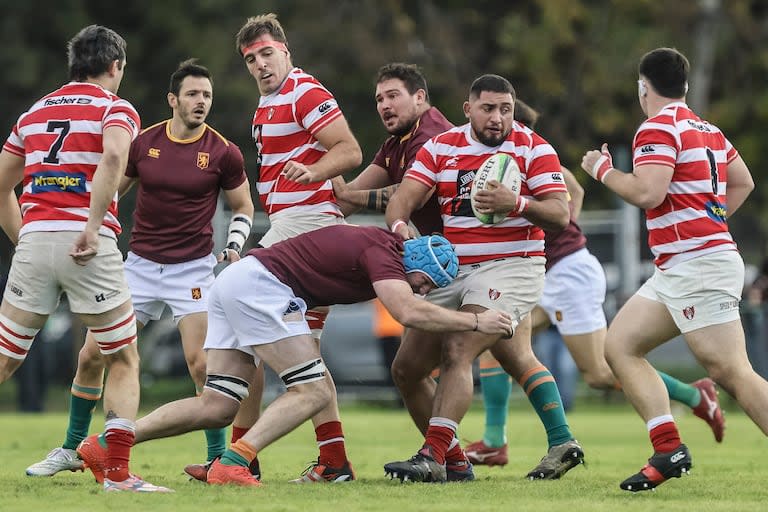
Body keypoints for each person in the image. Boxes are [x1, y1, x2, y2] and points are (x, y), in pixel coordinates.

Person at [76, 225, 515, 487]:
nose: (421, 291)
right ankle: (234, 462)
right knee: (314, 388)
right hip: (261, 287)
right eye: (424, 282)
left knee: (218, 405)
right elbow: (406, 310)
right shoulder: (387, 255)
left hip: (237, 282)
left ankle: (107, 444)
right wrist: (477, 323)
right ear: (415, 264)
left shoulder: (383, 248)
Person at [25, 59, 255, 482]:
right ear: (173, 100)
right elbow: (112, 190)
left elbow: (243, 207)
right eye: (192, 94)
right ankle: (71, 447)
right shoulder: (144, 142)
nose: (200, 102)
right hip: (140, 267)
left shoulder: (224, 151)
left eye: (206, 94)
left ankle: (217, 460)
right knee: (92, 355)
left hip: (194, 271)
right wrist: (91, 229)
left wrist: (235, 245)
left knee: (202, 365)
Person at [465, 99, 726, 468]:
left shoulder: (533, 155)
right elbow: (578, 193)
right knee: (497, 342)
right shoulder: (500, 158)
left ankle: (696, 396)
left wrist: (562, 233)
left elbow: (572, 189)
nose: (492, 125)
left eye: (502, 118)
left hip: (567, 273)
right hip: (544, 275)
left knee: (601, 373)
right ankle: (494, 441)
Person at [184, 13, 363, 484]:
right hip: (292, 225)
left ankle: (246, 456)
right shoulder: (267, 103)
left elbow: (348, 149)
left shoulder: (304, 90)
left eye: (267, 53)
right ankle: (332, 461)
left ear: (285, 51)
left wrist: (316, 173)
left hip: (306, 228)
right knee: (300, 354)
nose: (260, 64)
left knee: (252, 331)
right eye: (251, 58)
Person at [580, 47, 768, 492]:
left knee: (732, 372)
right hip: (682, 267)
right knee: (620, 345)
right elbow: (743, 181)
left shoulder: (657, 127)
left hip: (698, 265)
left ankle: (670, 449)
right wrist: (711, 220)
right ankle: (668, 449)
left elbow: (647, 192)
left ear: (644, 87)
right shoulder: (708, 129)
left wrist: (602, 168)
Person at [383, 74, 584, 483]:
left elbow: (561, 215)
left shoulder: (533, 147)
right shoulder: (442, 147)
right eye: (488, 108)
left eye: (505, 109)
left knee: (460, 345)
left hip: (513, 265)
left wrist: (518, 202)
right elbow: (401, 202)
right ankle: (542, 444)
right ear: (468, 109)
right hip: (456, 270)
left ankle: (433, 455)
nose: (497, 118)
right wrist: (402, 228)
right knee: (406, 368)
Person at [0, 25, 170, 492]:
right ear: (115, 66)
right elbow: (115, 158)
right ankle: (116, 474)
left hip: (35, 239)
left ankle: (80, 453)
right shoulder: (116, 108)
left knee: (6, 358)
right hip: (87, 244)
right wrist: (92, 229)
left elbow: (0, 186)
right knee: (124, 358)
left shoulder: (33, 113)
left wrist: (26, 239)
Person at [332, 62, 453, 233]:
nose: (385, 105)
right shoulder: (395, 143)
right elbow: (346, 199)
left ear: (419, 97)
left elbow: (411, 196)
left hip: (470, 248)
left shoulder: (432, 134)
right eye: (380, 99)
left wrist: (347, 195)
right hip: (446, 248)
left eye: (392, 96)